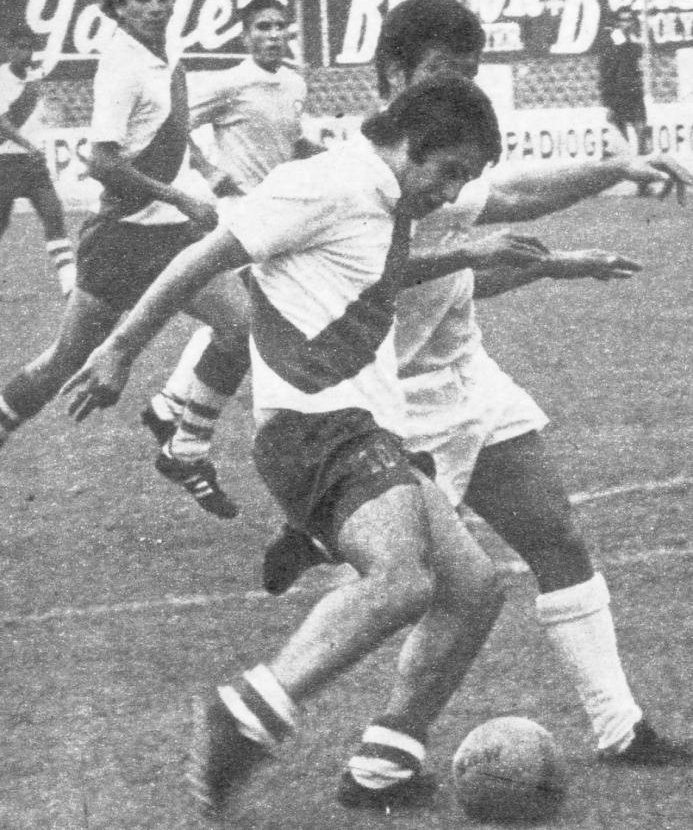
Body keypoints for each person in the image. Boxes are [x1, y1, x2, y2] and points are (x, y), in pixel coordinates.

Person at [62, 75, 555, 818]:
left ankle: (383, 764)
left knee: (473, 588)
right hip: (314, 430)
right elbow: (203, 257)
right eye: (447, 170)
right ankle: (248, 710)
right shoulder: (321, 184)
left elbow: (369, 274)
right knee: (402, 580)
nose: (449, 192)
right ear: (406, 144)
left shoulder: (379, 198)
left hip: (362, 428)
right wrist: (122, 349)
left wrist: (470, 251)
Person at [262, 0, 691, 793]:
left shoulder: (446, 156)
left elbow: (507, 208)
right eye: (441, 74)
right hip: (398, 403)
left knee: (555, 537)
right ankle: (381, 755)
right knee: (440, 590)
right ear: (392, 76)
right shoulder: (356, 176)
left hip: (469, 380)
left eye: (469, 74)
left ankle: (620, 727)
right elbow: (378, 285)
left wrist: (606, 179)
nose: (461, 90)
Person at [0, 0, 248, 459]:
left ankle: (182, 440)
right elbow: (102, 162)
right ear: (117, 5)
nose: (156, 6)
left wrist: (201, 166)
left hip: (176, 233)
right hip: (124, 237)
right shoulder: (121, 66)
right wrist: (179, 194)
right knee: (65, 360)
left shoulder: (164, 48)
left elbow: (172, 126)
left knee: (241, 326)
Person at [141, 0, 322, 517]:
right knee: (253, 325)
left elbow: (287, 142)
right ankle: (184, 434)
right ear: (245, 36)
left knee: (244, 321)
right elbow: (173, 126)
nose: (272, 35)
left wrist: (321, 157)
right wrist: (206, 168)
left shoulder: (292, 82)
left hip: (285, 218)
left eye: (279, 26)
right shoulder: (229, 81)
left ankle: (171, 408)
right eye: (262, 27)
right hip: (240, 219)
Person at [0, 26, 76, 298]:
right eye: (18, 47)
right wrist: (29, 144)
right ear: (8, 49)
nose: (24, 52)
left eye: (28, 47)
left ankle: (70, 284)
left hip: (32, 165)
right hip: (5, 163)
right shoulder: (1, 79)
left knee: (54, 213)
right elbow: (1, 124)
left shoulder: (34, 77)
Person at [597, 6, 650, 193]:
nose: (626, 23)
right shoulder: (613, 40)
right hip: (618, 95)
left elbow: (637, 60)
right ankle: (603, 180)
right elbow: (606, 71)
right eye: (622, 20)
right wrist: (608, 101)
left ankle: (644, 183)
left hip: (634, 94)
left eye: (629, 20)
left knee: (642, 135)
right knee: (622, 142)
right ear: (617, 22)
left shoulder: (635, 39)